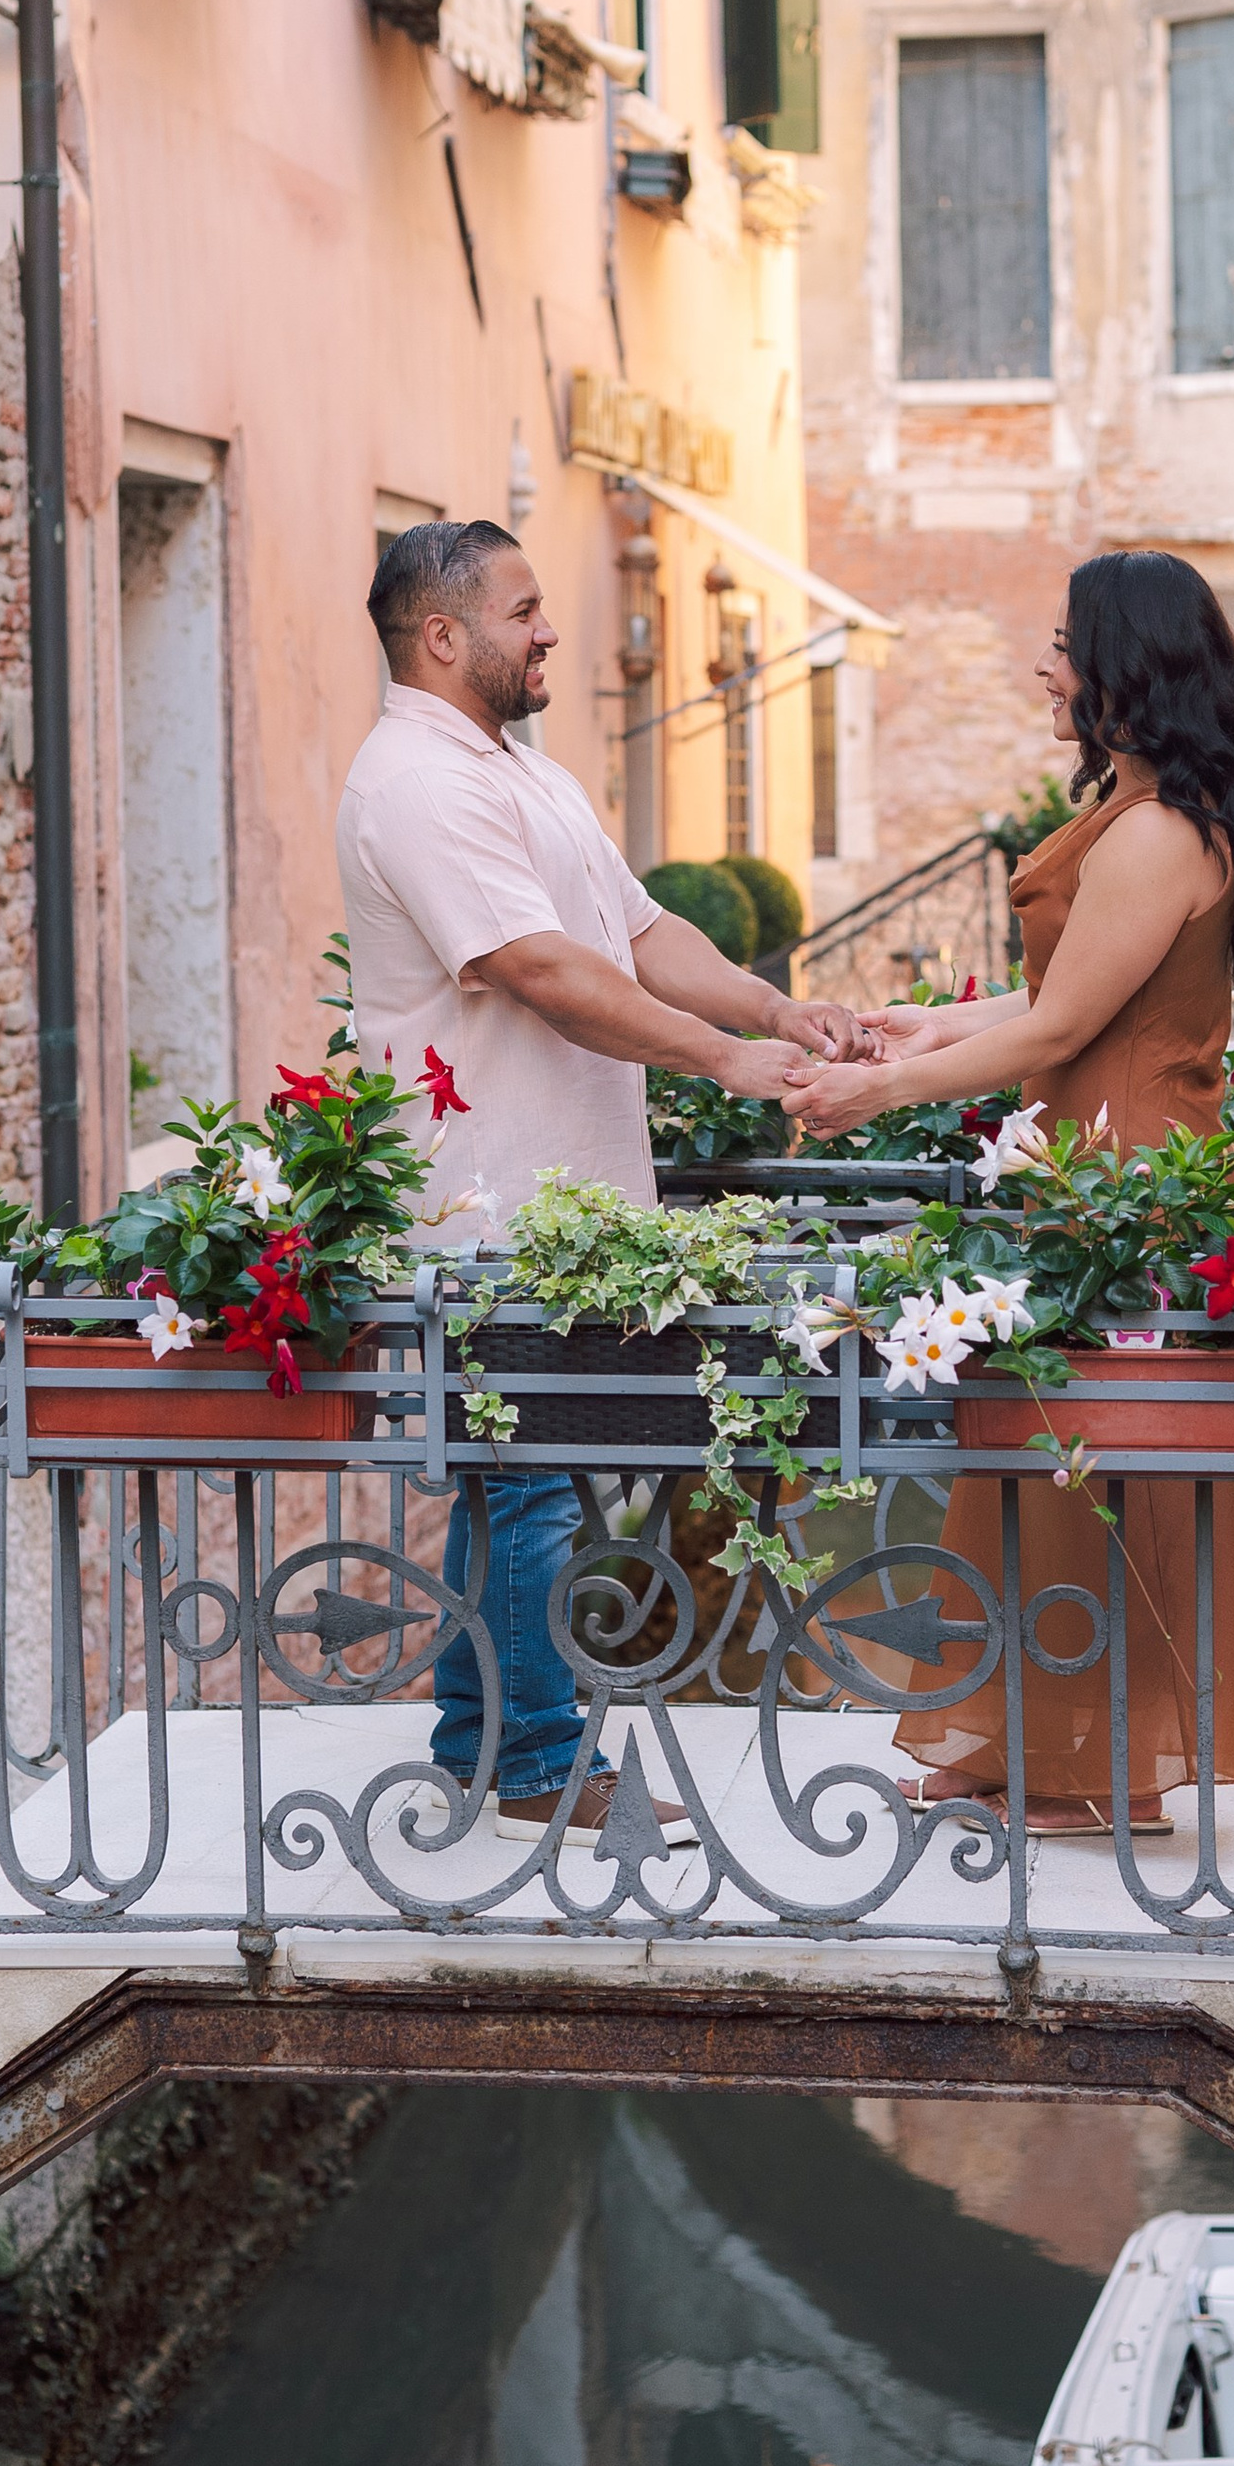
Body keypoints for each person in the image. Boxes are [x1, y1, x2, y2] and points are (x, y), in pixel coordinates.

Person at [336, 517, 873, 1833]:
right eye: (524, 610)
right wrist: (727, 1067)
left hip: (565, 1216)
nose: (551, 631)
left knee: (517, 1478)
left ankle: (478, 1736)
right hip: (484, 1206)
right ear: (442, 635)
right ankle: (532, 1762)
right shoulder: (415, 780)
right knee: (524, 1479)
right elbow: (545, 973)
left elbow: (635, 931)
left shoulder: (523, 771)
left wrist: (773, 1014)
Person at [791, 552, 1234, 1833]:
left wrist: (875, 1096)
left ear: (1126, 669)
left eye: (1064, 644)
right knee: (1039, 1459)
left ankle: (1094, 1766)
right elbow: (1064, 1002)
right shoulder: (1136, 816)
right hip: (1088, 1163)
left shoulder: (1153, 833)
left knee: (1089, 1466)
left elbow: (1059, 1025)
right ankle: (1018, 1736)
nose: (1043, 666)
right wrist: (913, 1026)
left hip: (1121, 1179)